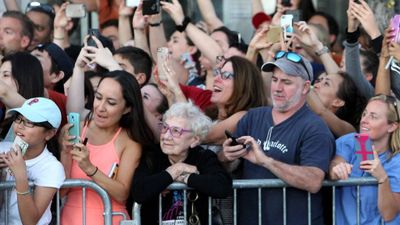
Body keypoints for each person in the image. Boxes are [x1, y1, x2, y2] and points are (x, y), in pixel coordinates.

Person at [219, 51, 335, 225]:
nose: (278, 88)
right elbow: (227, 166)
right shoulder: (253, 117)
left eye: (286, 82)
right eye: (275, 80)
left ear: (305, 87)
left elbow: (313, 180)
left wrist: (266, 161)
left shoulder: (315, 127)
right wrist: (227, 157)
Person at [60, 70, 154, 225]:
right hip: (71, 219)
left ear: (127, 108)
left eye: (111, 102)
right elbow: (62, 191)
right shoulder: (72, 130)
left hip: (113, 219)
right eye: (98, 97)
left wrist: (89, 168)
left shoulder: (130, 141)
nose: (100, 107)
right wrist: (65, 153)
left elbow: (122, 193)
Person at [131, 102, 232, 225]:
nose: (167, 136)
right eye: (165, 128)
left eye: (176, 131)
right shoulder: (152, 155)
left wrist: (185, 178)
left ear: (194, 140)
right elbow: (138, 192)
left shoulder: (203, 157)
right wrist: (175, 170)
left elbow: (222, 187)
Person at [329, 94, 400, 224]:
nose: (364, 120)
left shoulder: (397, 161)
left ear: (392, 126)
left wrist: (382, 178)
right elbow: (335, 164)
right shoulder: (352, 141)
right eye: (365, 114)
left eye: (373, 116)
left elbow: (389, 214)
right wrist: (337, 169)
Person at [0, 97, 65, 225]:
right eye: (18, 119)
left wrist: (21, 177)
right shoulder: (2, 149)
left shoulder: (51, 167)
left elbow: (30, 221)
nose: (20, 126)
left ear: (50, 133)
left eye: (30, 122)